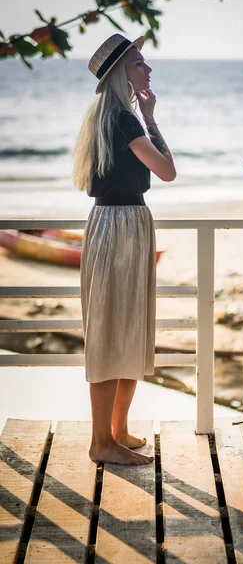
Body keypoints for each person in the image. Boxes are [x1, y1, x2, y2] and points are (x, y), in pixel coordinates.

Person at [72, 33, 176, 466]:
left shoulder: (105, 115)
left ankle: (117, 431)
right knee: (115, 332)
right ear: (121, 73)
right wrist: (153, 119)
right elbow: (167, 171)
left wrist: (146, 113)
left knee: (125, 329)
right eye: (139, 63)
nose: (147, 69)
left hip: (114, 224)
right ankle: (101, 443)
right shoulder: (125, 119)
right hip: (121, 227)